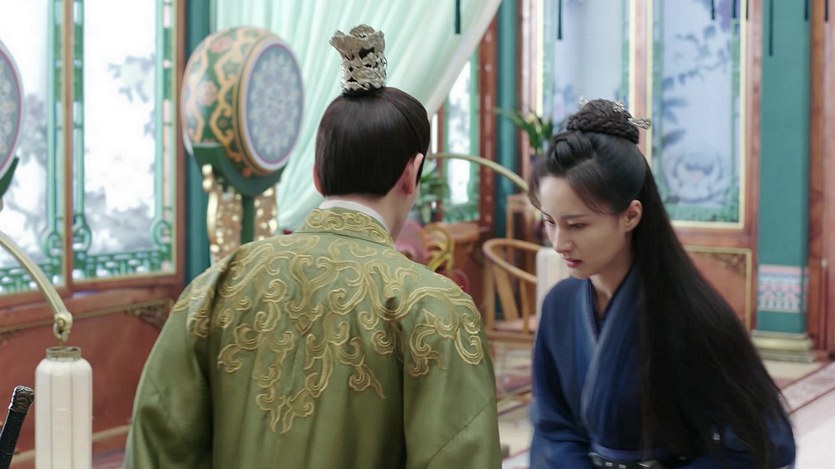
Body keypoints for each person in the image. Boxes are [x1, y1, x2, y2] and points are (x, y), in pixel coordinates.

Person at [125, 24, 501, 469]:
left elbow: (159, 440)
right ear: (411, 173)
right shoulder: (434, 309)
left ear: (317, 176)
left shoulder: (218, 285)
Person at [527, 99, 795, 468]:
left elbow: (761, 441)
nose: (559, 243)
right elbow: (552, 425)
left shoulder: (691, 315)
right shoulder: (560, 304)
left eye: (577, 225)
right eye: (550, 222)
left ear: (630, 215)